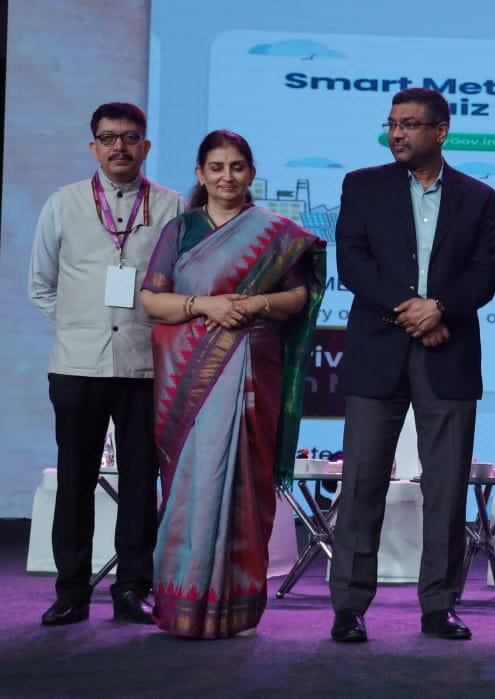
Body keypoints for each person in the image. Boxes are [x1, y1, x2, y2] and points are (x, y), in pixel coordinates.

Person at [328, 88, 495, 643]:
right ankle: (349, 606)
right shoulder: (362, 185)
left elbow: (484, 275)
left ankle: (440, 606)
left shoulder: (478, 197)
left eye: (409, 124)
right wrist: (414, 311)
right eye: (392, 124)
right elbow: (353, 263)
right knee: (361, 484)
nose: (397, 134)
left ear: (441, 131)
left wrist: (441, 308)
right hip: (378, 351)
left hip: (449, 356)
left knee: (446, 490)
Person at [138, 129, 325, 638]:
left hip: (252, 373)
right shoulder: (180, 230)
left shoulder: (277, 233)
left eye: (237, 167)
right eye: (217, 168)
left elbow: (297, 298)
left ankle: (236, 607)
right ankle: (182, 602)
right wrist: (205, 305)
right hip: (189, 381)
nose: (227, 177)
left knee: (245, 482)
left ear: (251, 173)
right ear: (200, 174)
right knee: (191, 486)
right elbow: (152, 299)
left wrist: (255, 303)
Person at [27, 103, 183, 626]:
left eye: (130, 137)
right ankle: (71, 591)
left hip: (145, 366)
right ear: (93, 146)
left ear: (146, 146)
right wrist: (80, 325)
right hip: (78, 366)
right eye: (108, 137)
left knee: (140, 482)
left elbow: (181, 281)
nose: (120, 147)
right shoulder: (63, 203)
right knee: (75, 480)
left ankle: (132, 588)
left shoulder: (171, 206)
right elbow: (41, 285)